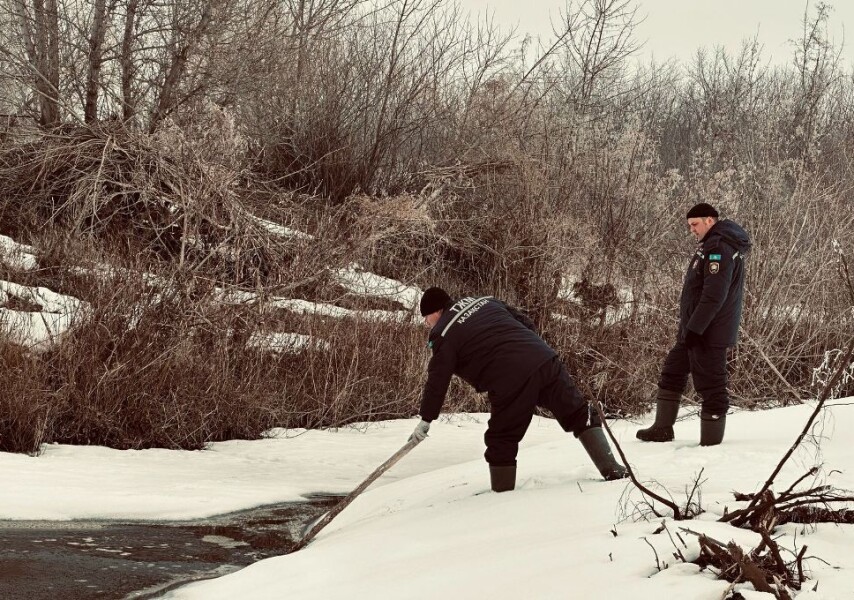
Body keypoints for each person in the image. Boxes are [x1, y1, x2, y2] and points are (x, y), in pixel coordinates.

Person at [408, 287, 628, 492]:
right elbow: (525, 322)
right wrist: (528, 352)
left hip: (509, 377)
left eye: (426, 318)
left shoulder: (443, 333)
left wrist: (426, 418)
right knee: (578, 413)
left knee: (501, 439)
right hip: (543, 359)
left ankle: (502, 498)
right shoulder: (485, 301)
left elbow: (438, 378)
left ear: (437, 311)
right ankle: (613, 470)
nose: (427, 324)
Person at [637, 203, 751, 446]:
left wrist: (696, 329)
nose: (691, 230)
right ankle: (662, 428)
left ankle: (710, 445)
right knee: (673, 372)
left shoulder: (719, 248)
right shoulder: (711, 245)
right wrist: (690, 329)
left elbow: (714, 295)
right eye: (689, 226)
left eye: (695, 224)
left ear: (710, 220)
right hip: (694, 330)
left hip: (708, 332)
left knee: (711, 386)